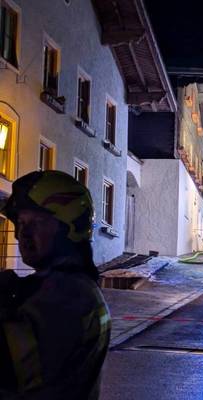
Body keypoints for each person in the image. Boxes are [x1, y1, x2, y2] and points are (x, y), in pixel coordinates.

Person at [0, 170, 111, 400]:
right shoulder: (73, 285)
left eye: (37, 222)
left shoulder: (69, 295)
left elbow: (11, 364)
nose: (24, 233)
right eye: (21, 222)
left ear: (68, 229)